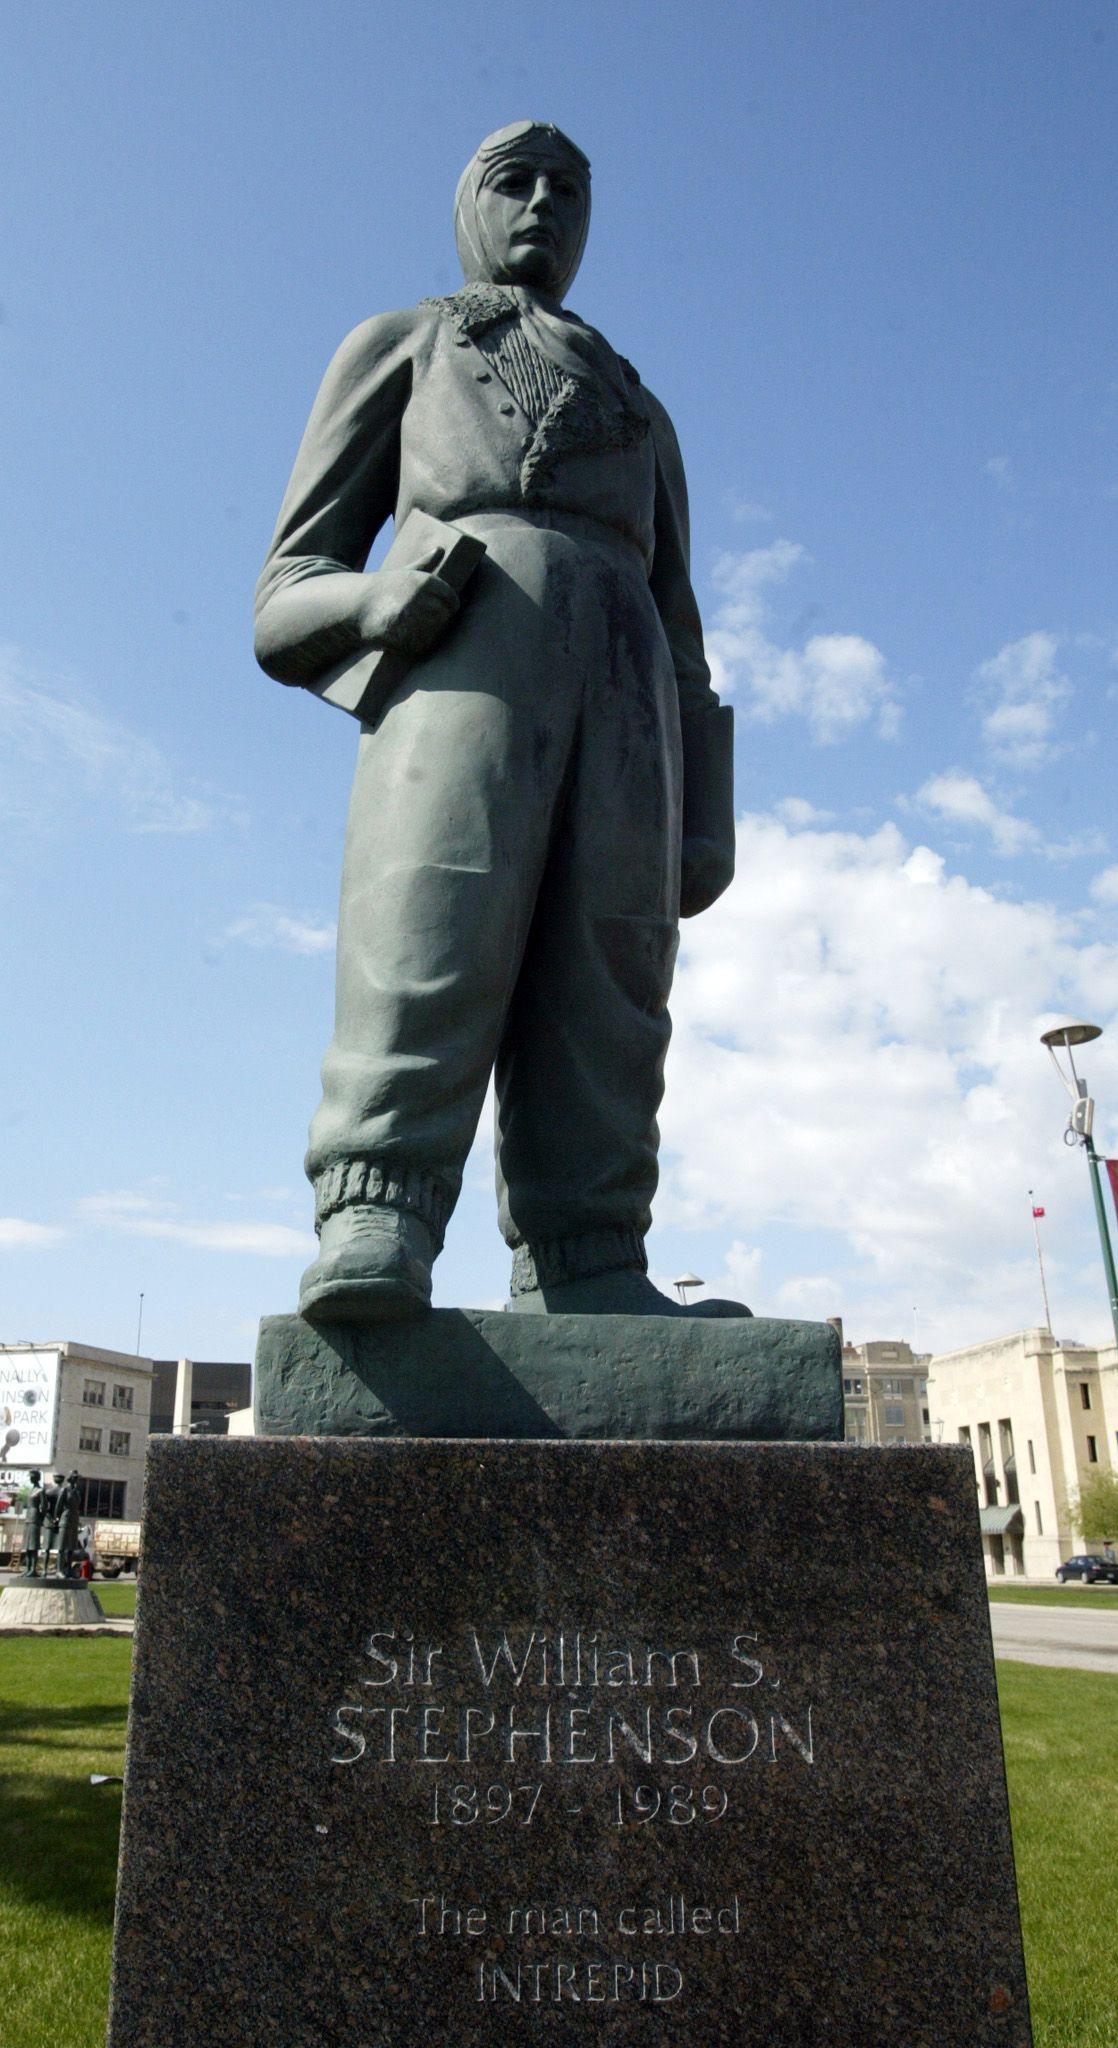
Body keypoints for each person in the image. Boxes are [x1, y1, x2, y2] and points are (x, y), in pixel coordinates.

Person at [256, 121, 741, 1326]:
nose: (542, 208)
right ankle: (379, 1210)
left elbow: (682, 627)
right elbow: (284, 593)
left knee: (613, 974)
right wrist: (376, 598)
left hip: (629, 712)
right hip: (462, 679)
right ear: (467, 206)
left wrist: (708, 808)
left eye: (568, 191)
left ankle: (591, 1254)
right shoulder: (403, 348)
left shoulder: (643, 413)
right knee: (432, 925)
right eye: (513, 184)